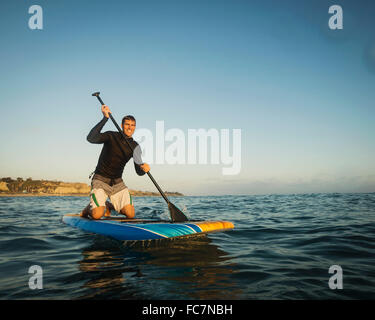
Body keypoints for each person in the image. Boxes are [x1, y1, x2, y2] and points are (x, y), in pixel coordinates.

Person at [80, 105, 150, 220]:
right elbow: (91, 138)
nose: (129, 127)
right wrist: (105, 119)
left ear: (135, 127)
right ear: (122, 125)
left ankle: (108, 205)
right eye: (127, 124)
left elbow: (138, 171)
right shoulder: (111, 136)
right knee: (97, 215)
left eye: (132, 125)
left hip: (117, 183)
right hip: (100, 180)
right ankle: (88, 209)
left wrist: (143, 168)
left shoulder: (135, 146)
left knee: (130, 214)